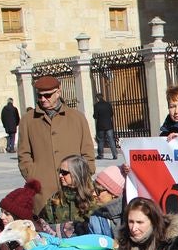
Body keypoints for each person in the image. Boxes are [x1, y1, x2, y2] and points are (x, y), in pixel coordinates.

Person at [18, 75, 95, 216]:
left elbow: (87, 151)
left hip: (75, 187)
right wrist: (32, 175)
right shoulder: (28, 120)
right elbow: (24, 154)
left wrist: (85, 176)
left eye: (47, 95)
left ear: (58, 92)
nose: (43, 99)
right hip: (43, 189)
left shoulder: (77, 118)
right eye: (39, 96)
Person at [40, 154, 97, 238]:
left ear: (77, 173)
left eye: (64, 173)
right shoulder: (55, 199)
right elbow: (44, 225)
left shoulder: (94, 197)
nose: (60, 176)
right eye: (60, 172)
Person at [87, 165, 126, 238]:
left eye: (98, 190)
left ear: (113, 193)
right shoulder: (95, 218)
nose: (94, 194)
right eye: (94, 189)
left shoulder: (130, 215)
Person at [93, 94, 118, 159]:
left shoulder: (96, 105)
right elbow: (111, 114)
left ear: (97, 98)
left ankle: (100, 155)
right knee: (111, 140)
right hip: (109, 125)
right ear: (103, 97)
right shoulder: (108, 104)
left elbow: (95, 116)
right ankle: (115, 155)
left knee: (101, 140)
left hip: (100, 126)